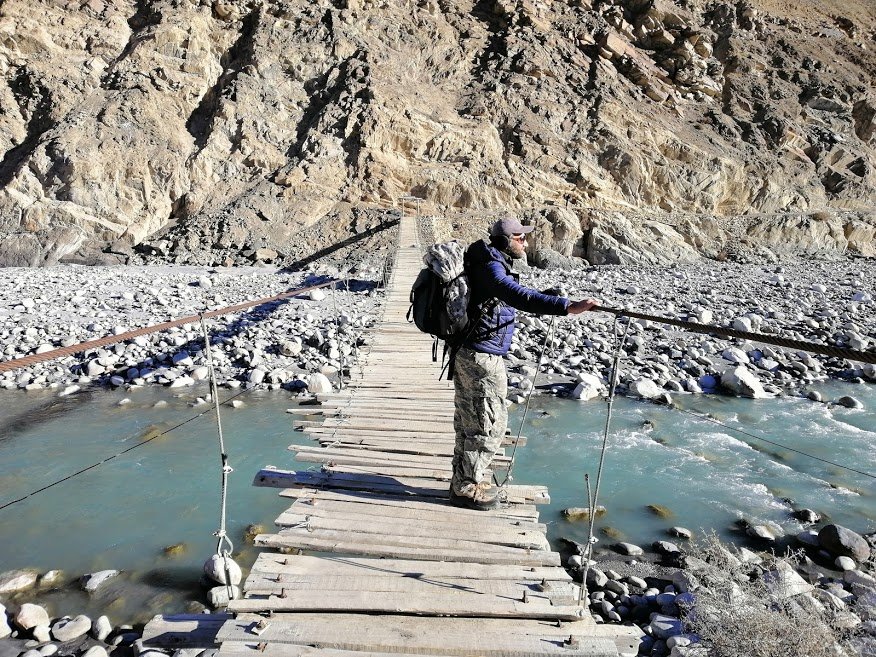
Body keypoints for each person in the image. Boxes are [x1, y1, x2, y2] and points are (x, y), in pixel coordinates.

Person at [450, 217, 599, 511]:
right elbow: (517, 295)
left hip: (469, 351)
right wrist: (566, 307)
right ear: (507, 241)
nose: (526, 243)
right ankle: (467, 489)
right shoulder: (492, 267)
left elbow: (507, 295)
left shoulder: (485, 261)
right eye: (520, 238)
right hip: (482, 357)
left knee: (469, 422)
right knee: (489, 425)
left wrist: (550, 299)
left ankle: (461, 482)